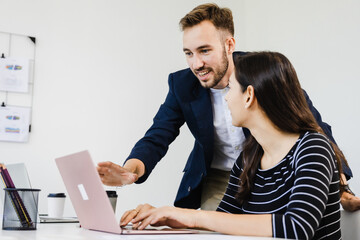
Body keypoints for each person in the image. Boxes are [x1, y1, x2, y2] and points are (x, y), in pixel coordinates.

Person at [97, 3, 355, 211]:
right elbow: (157, 136)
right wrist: (129, 171)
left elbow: (313, 124)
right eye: (188, 53)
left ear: (229, 45)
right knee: (214, 230)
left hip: (268, 173)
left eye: (204, 50)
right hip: (220, 177)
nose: (196, 63)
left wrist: (339, 185)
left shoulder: (262, 73)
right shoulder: (182, 84)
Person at [119, 51, 343, 239]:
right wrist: (171, 217)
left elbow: (297, 227)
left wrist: (193, 216)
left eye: (232, 89)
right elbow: (223, 222)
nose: (226, 98)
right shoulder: (248, 158)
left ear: (249, 96)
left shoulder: (313, 148)